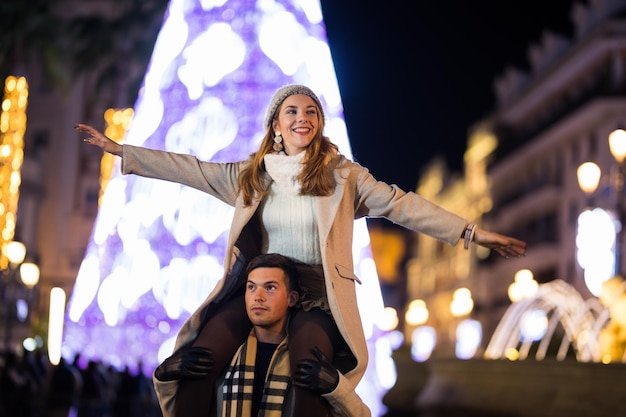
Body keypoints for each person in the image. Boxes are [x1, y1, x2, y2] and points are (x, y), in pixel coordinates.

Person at [76, 84, 526, 417]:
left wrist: (472, 233)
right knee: (198, 357)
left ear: (318, 124)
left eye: (310, 111)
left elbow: (402, 204)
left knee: (312, 367)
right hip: (261, 288)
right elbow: (190, 169)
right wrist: (123, 151)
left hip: (317, 297)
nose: (302, 117)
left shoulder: (343, 177)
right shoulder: (250, 176)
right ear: (276, 124)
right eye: (291, 110)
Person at [207, 252, 368, 416]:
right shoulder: (227, 356)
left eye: (270, 288)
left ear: (292, 299)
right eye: (252, 287)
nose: (258, 297)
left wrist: (336, 388)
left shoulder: (310, 358)